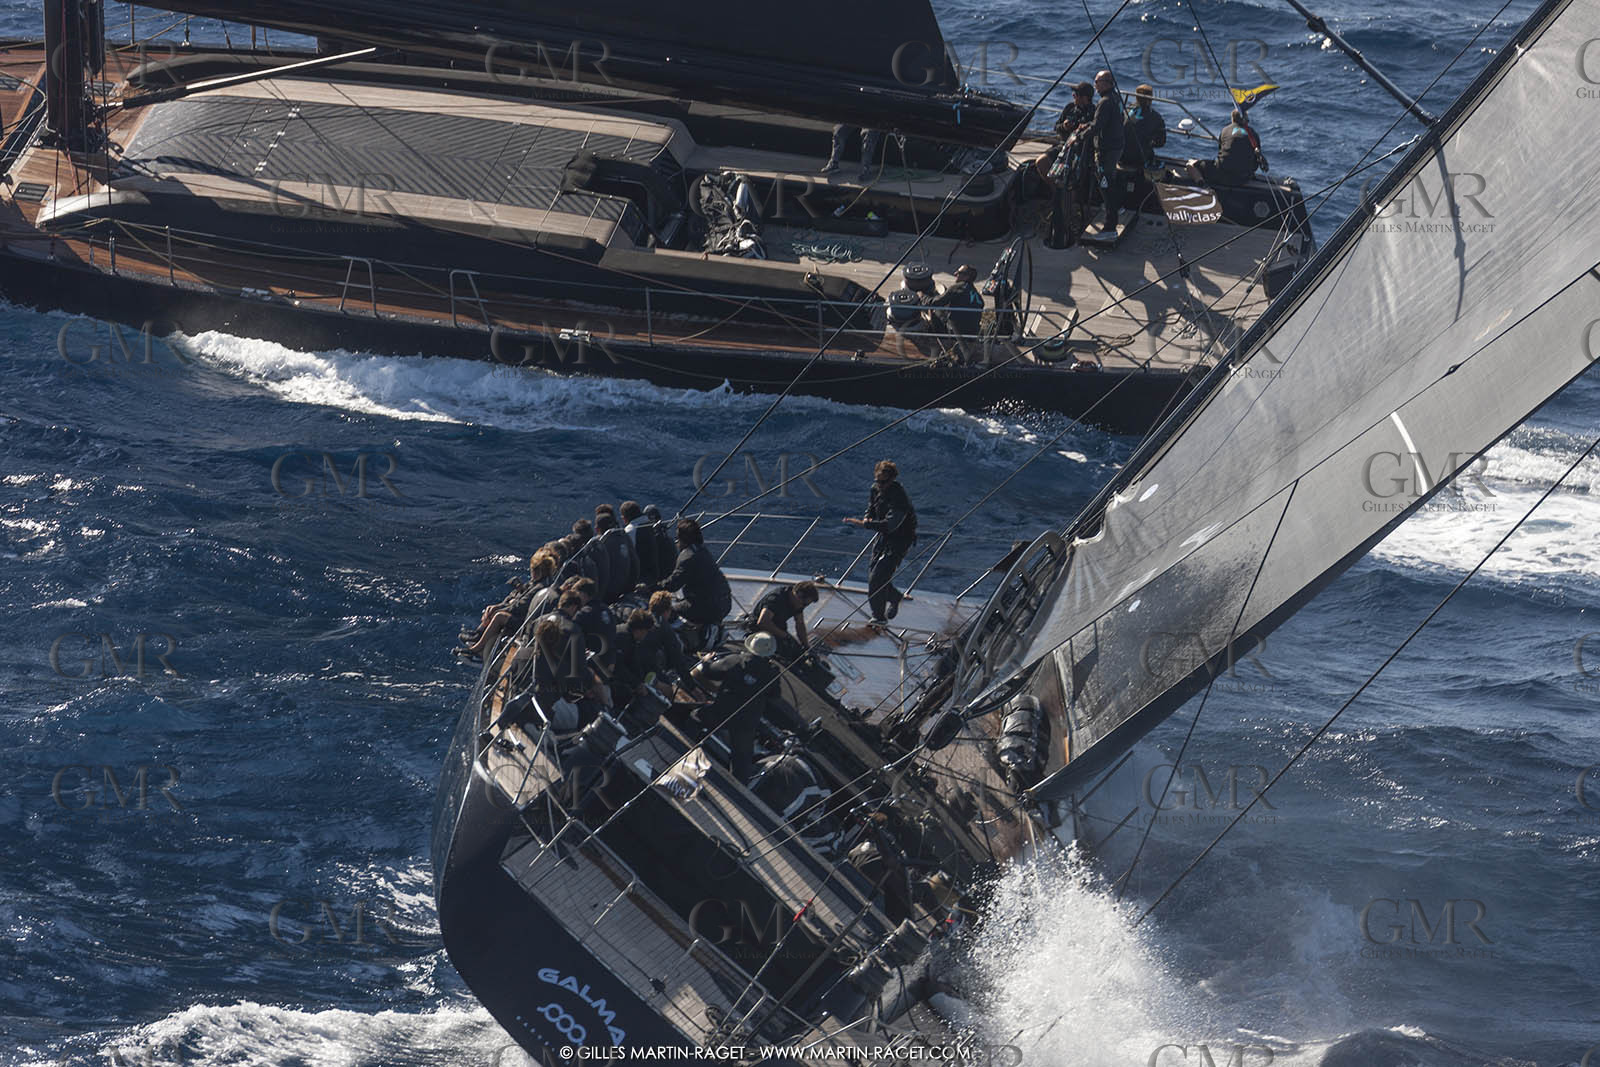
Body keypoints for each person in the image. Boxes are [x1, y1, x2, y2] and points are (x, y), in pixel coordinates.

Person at [690, 631, 784, 780]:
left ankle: (684, 746)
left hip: (721, 712)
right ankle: (739, 785)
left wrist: (706, 661)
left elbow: (709, 672)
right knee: (742, 759)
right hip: (747, 722)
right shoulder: (772, 673)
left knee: (694, 717)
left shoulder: (735, 660)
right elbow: (775, 695)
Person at [843, 460, 917, 625]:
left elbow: (891, 525)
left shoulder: (900, 497)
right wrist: (867, 517)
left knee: (878, 576)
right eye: (878, 481)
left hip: (900, 539)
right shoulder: (875, 488)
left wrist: (866, 524)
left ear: (892, 479)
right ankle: (894, 597)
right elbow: (871, 507)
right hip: (883, 536)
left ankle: (878, 617)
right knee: (874, 575)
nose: (880, 485)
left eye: (884, 482)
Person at [659, 518, 733, 628]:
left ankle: (695, 634)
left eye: (677, 537)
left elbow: (673, 585)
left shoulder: (687, 556)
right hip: (725, 604)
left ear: (682, 538)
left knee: (667, 612)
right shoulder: (703, 550)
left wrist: (653, 587)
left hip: (708, 608)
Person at [1088, 69, 1126, 236]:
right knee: (1110, 179)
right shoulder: (1116, 98)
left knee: (1105, 184)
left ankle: (1110, 226)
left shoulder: (1105, 102)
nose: (1095, 85)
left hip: (1107, 150)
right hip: (1117, 147)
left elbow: (1097, 126)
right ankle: (1118, 207)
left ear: (1106, 84)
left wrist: (1080, 135)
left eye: (1097, 82)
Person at [926, 265, 986, 366]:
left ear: (966, 277)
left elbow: (936, 302)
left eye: (959, 273)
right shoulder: (977, 295)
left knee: (935, 311)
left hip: (956, 332)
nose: (955, 274)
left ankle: (939, 342)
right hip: (972, 333)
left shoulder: (958, 287)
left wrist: (923, 297)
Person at [1188, 109, 1263, 188]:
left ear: (1232, 119)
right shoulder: (1253, 134)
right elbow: (1256, 160)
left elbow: (1221, 151)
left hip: (1222, 175)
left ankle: (1202, 185)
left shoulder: (1225, 130)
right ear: (1246, 120)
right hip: (1244, 178)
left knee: (1191, 164)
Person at [750, 580, 820, 657]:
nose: (803, 607)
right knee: (785, 651)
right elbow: (763, 622)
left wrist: (806, 646)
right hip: (760, 630)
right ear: (798, 595)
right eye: (804, 604)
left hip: (778, 628)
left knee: (797, 651)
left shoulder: (798, 603)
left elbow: (800, 624)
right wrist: (785, 636)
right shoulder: (776, 599)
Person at [594, 512, 640, 601]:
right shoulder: (625, 538)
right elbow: (635, 563)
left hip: (608, 594)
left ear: (597, 529)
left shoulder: (600, 544)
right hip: (627, 589)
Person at [1121, 84, 1167, 168]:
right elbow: (1161, 142)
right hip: (1140, 159)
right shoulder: (1156, 117)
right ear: (1151, 99)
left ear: (1136, 97)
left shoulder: (1125, 111)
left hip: (1121, 156)